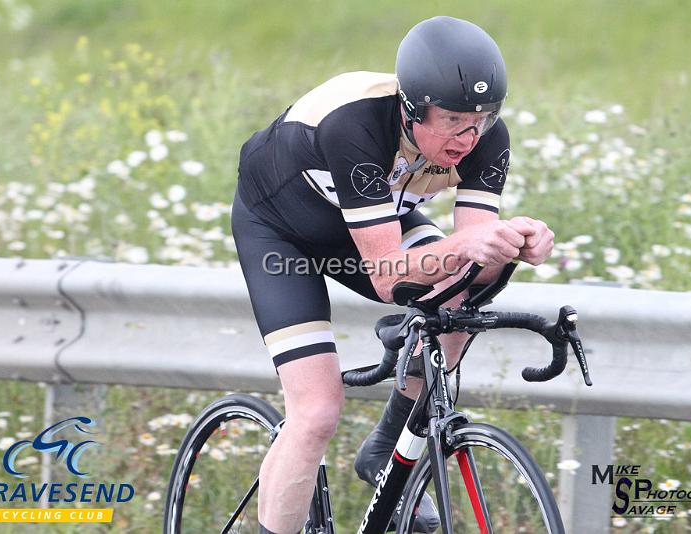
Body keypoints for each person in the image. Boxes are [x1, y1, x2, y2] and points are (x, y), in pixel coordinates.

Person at [231, 16, 555, 534]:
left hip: (375, 219)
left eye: (482, 120)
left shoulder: (487, 139)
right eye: (452, 120)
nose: (468, 137)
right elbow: (386, 276)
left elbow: (472, 264)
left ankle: (388, 442)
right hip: (280, 234)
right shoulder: (355, 125)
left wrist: (514, 243)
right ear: (410, 110)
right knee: (315, 413)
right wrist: (466, 247)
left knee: (460, 300)